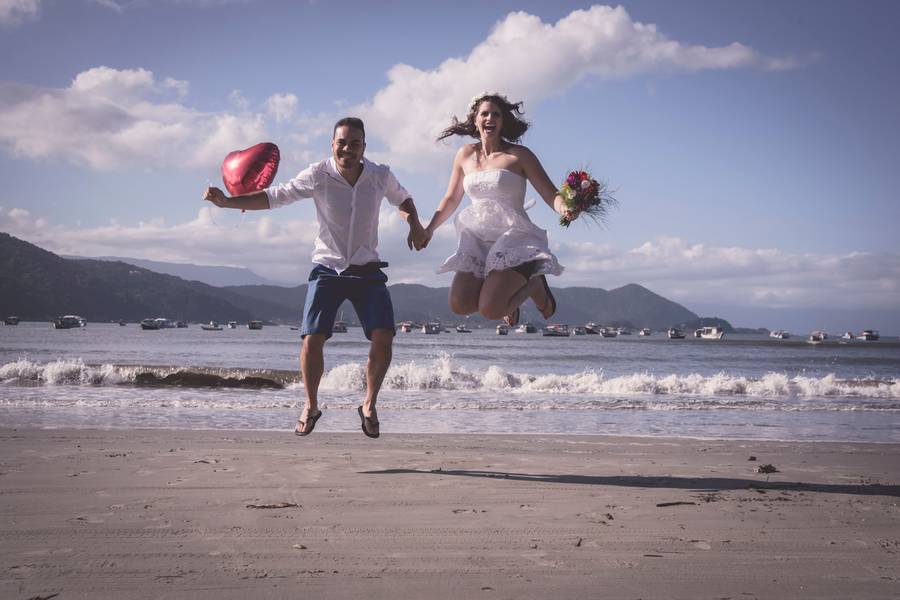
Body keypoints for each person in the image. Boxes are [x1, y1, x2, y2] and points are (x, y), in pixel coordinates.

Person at [204, 117, 427, 438]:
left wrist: (414, 224)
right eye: (341, 142)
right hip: (328, 269)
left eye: (354, 143)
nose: (347, 148)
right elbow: (274, 196)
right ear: (332, 144)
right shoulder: (317, 175)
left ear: (364, 147)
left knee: (384, 336)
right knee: (312, 338)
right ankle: (310, 405)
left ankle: (368, 405)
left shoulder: (380, 176)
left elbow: (403, 199)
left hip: (367, 270)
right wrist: (227, 203)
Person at [422, 92, 575, 326]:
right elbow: (451, 198)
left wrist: (565, 207)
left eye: (496, 114)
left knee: (490, 310)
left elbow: (550, 193)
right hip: (478, 240)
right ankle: (502, 293)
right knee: (459, 304)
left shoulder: (519, 156)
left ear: (503, 122)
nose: (489, 118)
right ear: (475, 120)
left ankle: (534, 285)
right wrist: (429, 228)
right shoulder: (465, 155)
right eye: (484, 114)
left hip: (513, 238)